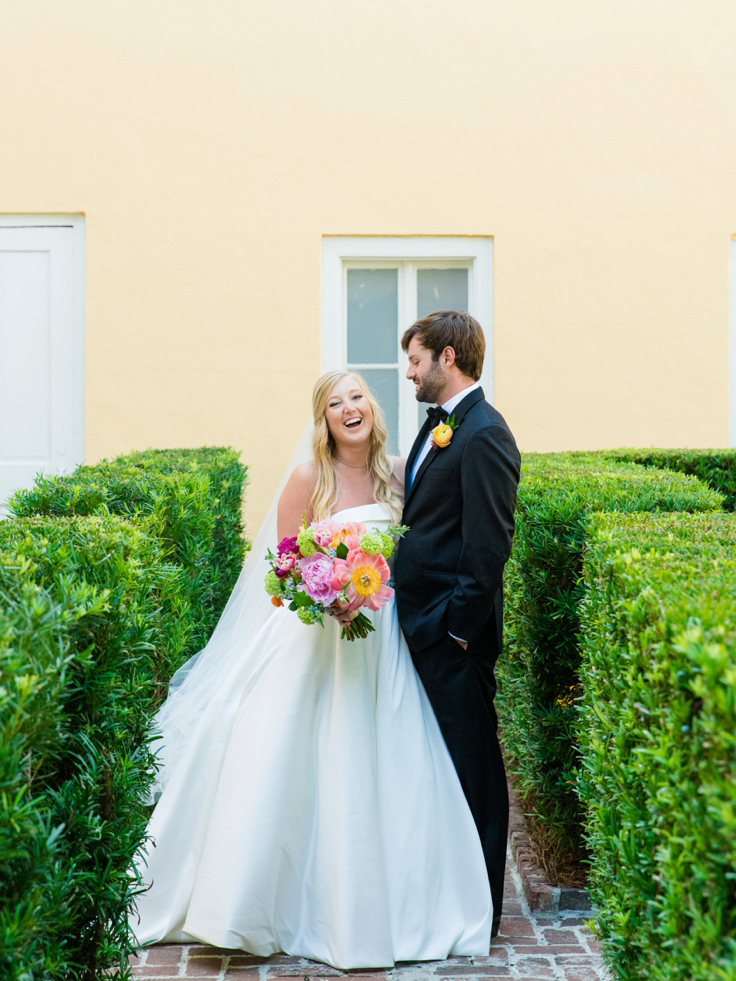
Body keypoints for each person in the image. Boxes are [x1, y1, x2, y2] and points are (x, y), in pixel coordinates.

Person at [132, 369, 494, 970]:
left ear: (372, 409)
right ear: (323, 419)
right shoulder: (309, 478)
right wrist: (327, 593)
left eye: (357, 397)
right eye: (335, 403)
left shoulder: (402, 474)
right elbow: (282, 569)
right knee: (282, 754)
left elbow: (421, 554)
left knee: (384, 759)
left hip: (383, 644)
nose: (349, 408)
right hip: (314, 643)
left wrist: (376, 588)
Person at [391, 310, 521, 935]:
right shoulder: (439, 430)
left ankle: (482, 910)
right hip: (419, 627)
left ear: (447, 358)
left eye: (415, 360)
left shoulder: (484, 434)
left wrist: (457, 630)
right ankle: (446, 892)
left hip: (451, 636)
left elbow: (488, 546)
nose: (408, 373)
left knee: (474, 770)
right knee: (438, 767)